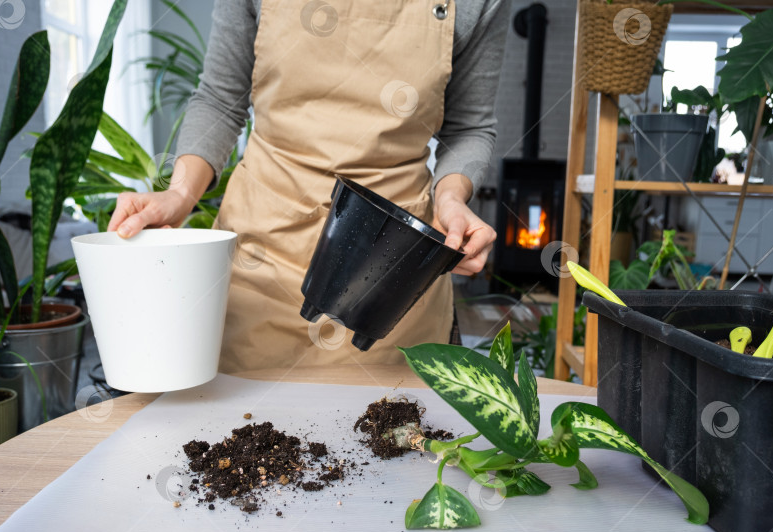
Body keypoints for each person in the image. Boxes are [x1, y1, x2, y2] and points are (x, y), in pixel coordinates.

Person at [109, 0, 509, 372]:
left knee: (389, 437)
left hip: (390, 267)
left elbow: (469, 127)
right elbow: (220, 96)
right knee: (237, 435)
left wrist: (451, 197)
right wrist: (180, 192)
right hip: (262, 250)